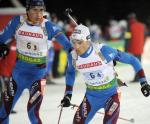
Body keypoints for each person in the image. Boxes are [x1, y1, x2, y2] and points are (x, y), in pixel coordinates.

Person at [61, 24, 150, 124]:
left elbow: (133, 60)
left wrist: (143, 82)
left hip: (111, 95)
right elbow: (70, 72)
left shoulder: (103, 51)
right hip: (91, 97)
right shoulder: (72, 57)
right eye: (73, 42)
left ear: (87, 40)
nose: (76, 46)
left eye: (79, 42)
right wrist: (68, 95)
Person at [0, 0, 72, 123]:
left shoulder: (48, 26)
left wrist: (80, 52)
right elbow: (2, 38)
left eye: (41, 10)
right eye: (35, 10)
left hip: (37, 76)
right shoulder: (18, 21)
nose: (39, 14)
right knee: (3, 113)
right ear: (27, 10)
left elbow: (68, 45)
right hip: (18, 75)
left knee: (32, 113)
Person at [127, 13, 145, 82]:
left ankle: (137, 78)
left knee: (135, 63)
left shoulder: (130, 27)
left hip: (133, 49)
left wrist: (126, 49)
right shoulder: (142, 25)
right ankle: (139, 77)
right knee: (139, 63)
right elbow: (145, 36)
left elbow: (127, 38)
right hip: (140, 48)